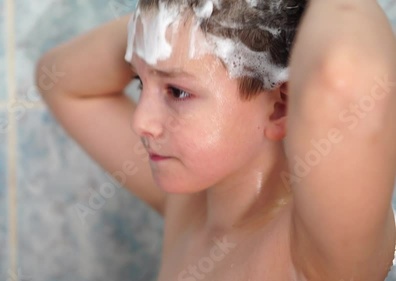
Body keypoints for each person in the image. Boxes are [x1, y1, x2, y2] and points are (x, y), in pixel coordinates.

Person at [35, 0, 396, 280]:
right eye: (140, 83)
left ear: (279, 108)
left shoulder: (316, 253)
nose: (140, 122)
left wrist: (239, 19)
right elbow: (59, 80)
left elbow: (345, 78)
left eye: (176, 91)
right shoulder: (189, 203)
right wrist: (178, 16)